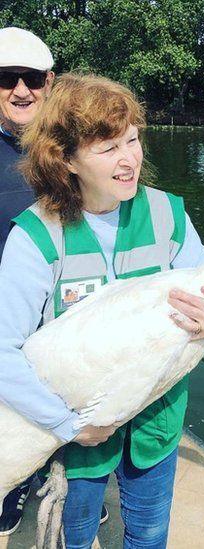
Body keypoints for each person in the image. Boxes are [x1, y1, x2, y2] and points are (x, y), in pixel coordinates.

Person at [0, 73, 204, 548]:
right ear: (66, 158)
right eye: (108, 148)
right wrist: (69, 426)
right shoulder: (35, 237)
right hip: (79, 437)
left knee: (149, 532)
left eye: (132, 139)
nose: (129, 159)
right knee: (78, 533)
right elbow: (3, 352)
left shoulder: (169, 215)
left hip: (159, 422)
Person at [0, 26, 57, 537]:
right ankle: (10, 485)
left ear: (50, 81)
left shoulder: (73, 152)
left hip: (63, 316)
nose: (21, 90)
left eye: (32, 78)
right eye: (5, 78)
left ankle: (58, 480)